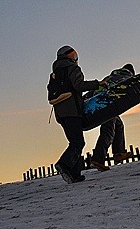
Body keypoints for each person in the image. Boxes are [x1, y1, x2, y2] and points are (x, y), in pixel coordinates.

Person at [51, 45, 107, 183]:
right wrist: (97, 84)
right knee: (78, 142)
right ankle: (64, 164)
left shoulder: (55, 73)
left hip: (60, 113)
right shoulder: (73, 68)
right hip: (72, 111)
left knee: (74, 141)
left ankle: (75, 175)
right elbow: (79, 85)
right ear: (71, 57)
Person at [88, 64, 135, 171]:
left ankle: (119, 152)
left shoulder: (112, 76)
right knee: (108, 131)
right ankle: (98, 159)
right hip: (107, 103)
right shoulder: (126, 77)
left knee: (119, 124)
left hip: (99, 102)